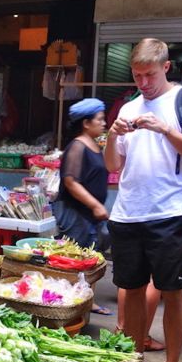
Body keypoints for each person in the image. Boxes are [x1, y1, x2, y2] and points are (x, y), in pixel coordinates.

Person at [104, 38, 182, 362]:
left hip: (168, 211)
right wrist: (111, 136)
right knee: (131, 288)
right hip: (127, 212)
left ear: (166, 67)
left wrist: (165, 129)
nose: (143, 83)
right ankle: (134, 356)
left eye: (149, 74)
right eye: (137, 76)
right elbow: (113, 165)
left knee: (172, 291)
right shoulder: (128, 106)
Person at [54, 98, 112, 315]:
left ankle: (87, 300)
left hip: (88, 213)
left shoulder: (94, 145)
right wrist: (95, 205)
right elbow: (70, 181)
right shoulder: (77, 146)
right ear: (86, 123)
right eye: (100, 119)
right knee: (76, 259)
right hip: (76, 213)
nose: (104, 123)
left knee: (91, 256)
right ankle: (71, 305)